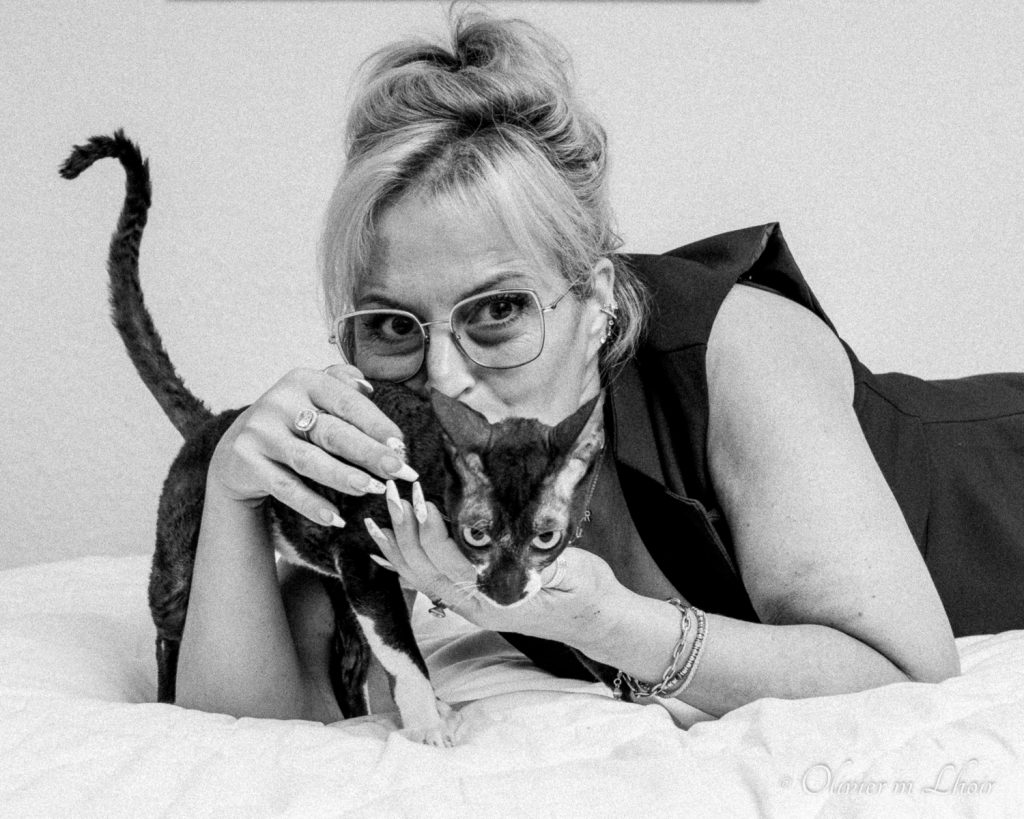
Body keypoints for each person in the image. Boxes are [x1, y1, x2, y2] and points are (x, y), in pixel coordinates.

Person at [175, 9, 1024, 723]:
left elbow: (907, 674)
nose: (440, 375)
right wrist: (230, 491)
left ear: (600, 302)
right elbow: (243, 723)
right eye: (393, 324)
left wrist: (612, 624)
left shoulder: (736, 350)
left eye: (498, 310)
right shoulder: (418, 451)